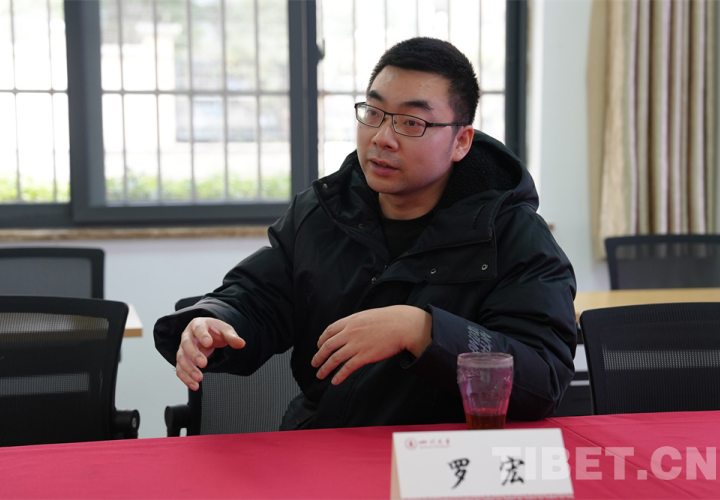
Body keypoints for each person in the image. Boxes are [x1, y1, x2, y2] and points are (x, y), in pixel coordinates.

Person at [154, 37, 577, 430]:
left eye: (411, 122)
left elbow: (542, 378)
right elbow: (261, 296)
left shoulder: (513, 236)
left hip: (445, 458)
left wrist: (423, 330)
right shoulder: (325, 211)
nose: (383, 138)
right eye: (373, 113)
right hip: (325, 445)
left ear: (461, 141)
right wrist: (216, 318)